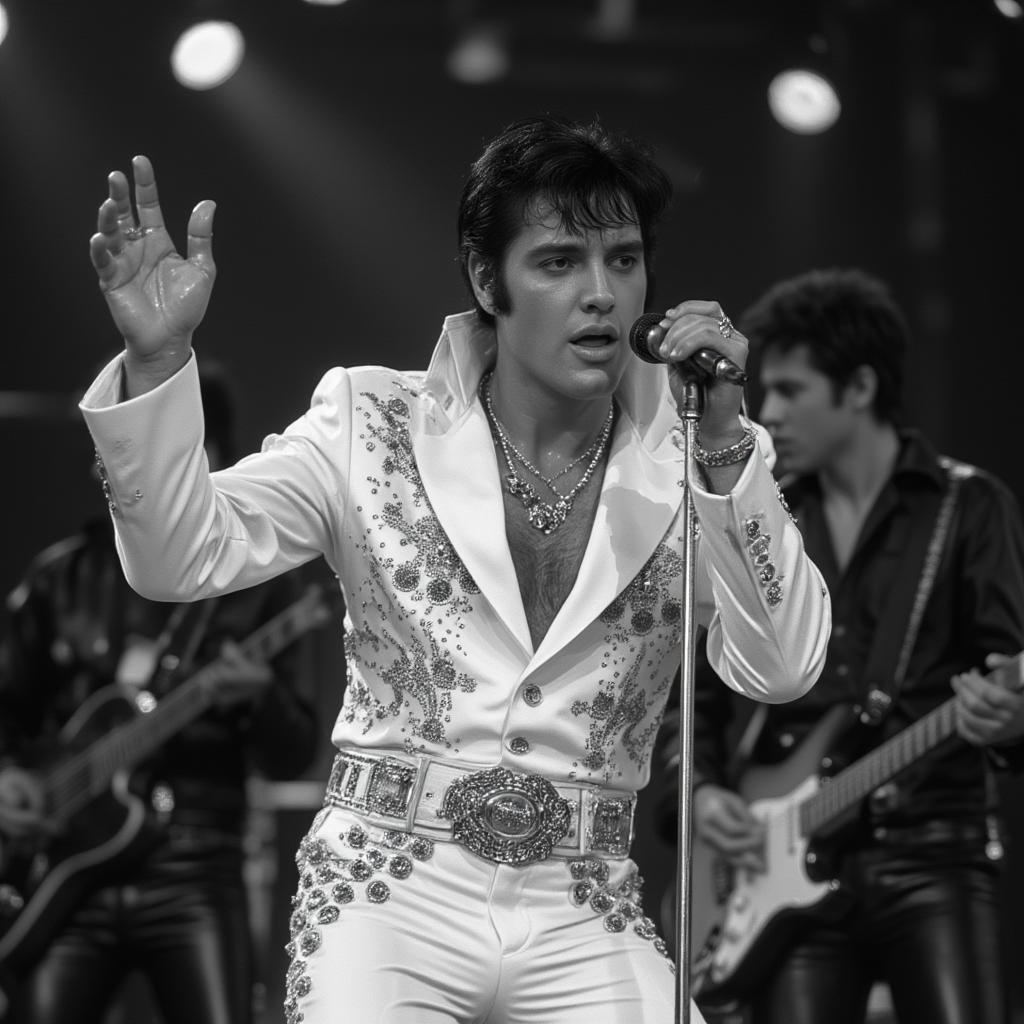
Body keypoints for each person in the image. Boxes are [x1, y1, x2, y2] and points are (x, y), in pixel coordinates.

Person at [77, 114, 830, 1024]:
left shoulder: (691, 458)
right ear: (487, 279)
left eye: (623, 261)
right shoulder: (370, 420)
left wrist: (721, 443)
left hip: (584, 899)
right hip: (390, 887)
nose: (601, 295)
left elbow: (782, 668)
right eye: (559, 262)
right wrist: (159, 360)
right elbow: (178, 558)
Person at [658, 267, 1024, 1024]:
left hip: (933, 853)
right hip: (777, 867)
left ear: (859, 389)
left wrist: (1011, 722)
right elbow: (695, 688)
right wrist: (699, 793)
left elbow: (1008, 677)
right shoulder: (762, 511)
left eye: (793, 390)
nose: (774, 410)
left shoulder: (971, 505)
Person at [0, 365, 320, 1024]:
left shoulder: (262, 582)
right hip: (62, 875)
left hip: (194, 867)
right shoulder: (61, 576)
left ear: (207, 454)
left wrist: (258, 697)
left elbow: (294, 757)